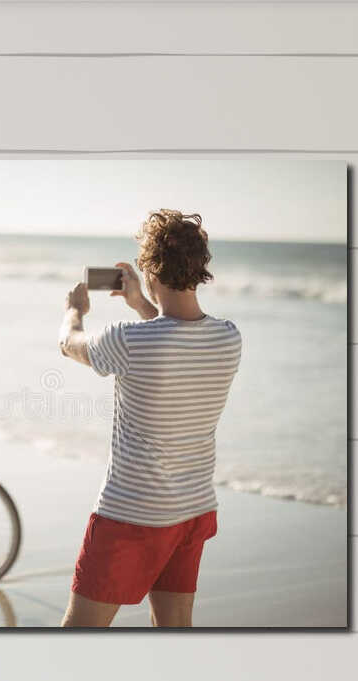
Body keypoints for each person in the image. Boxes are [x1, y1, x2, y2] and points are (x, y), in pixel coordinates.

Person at [57, 210, 242, 628]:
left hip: (131, 515)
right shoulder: (229, 338)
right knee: (175, 628)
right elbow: (170, 342)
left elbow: (68, 343)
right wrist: (143, 302)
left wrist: (74, 309)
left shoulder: (129, 340)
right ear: (200, 269)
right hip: (191, 511)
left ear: (150, 269)